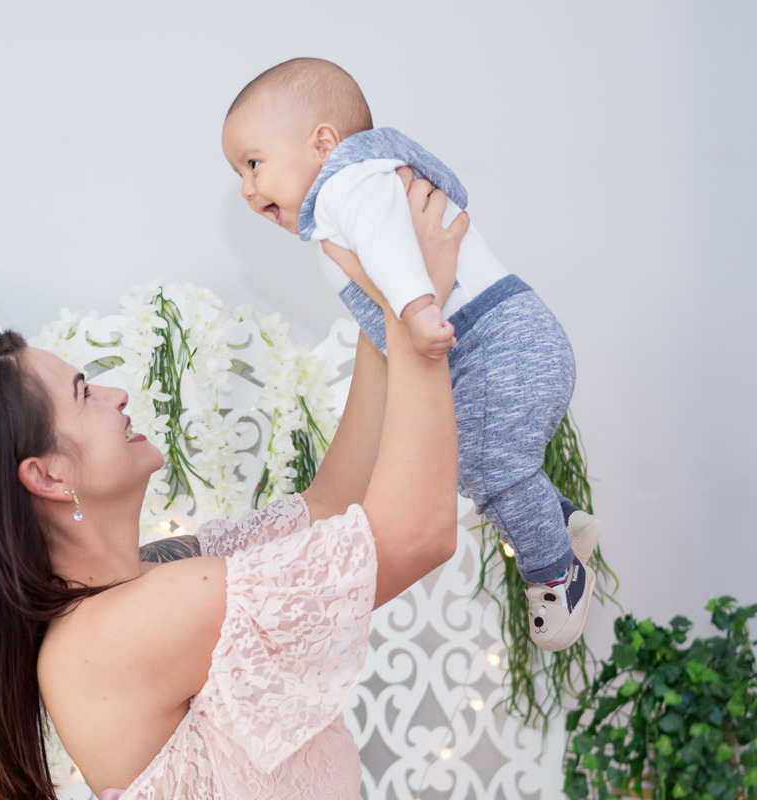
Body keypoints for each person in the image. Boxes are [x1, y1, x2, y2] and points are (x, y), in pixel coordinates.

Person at [0, 170, 461, 800]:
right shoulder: (126, 627)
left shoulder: (152, 584)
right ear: (48, 475)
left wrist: (383, 300)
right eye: (84, 394)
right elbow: (416, 536)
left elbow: (329, 508)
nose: (116, 394)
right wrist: (420, 312)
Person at [220, 56, 600, 652]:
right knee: (478, 461)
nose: (246, 189)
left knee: (491, 466)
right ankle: (563, 522)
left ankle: (556, 576)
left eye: (254, 163)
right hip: (499, 332)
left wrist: (420, 313)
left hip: (493, 334)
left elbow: (393, 246)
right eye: (239, 173)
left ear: (323, 143)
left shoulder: (347, 184)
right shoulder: (353, 187)